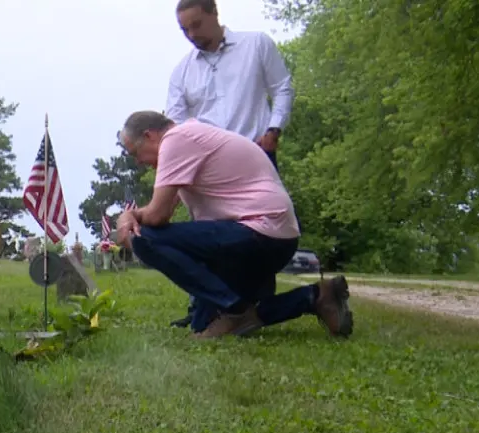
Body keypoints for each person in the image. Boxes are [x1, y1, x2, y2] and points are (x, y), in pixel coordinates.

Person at [113, 111, 352, 339]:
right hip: (272, 238)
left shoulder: (176, 140)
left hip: (258, 233)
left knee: (144, 238)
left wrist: (129, 218)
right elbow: (163, 209)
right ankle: (316, 296)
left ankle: (233, 308)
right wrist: (135, 213)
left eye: (136, 153)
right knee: (203, 325)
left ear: (149, 136)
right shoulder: (193, 136)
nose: (139, 162)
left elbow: (157, 216)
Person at [166, 0, 295, 326]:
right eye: (184, 30)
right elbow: (175, 121)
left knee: (259, 235)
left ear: (214, 14)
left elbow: (282, 88)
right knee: (208, 235)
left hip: (255, 156)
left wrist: (274, 129)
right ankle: (204, 308)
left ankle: (257, 306)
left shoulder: (256, 44)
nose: (191, 34)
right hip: (209, 168)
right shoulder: (182, 71)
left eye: (196, 25)